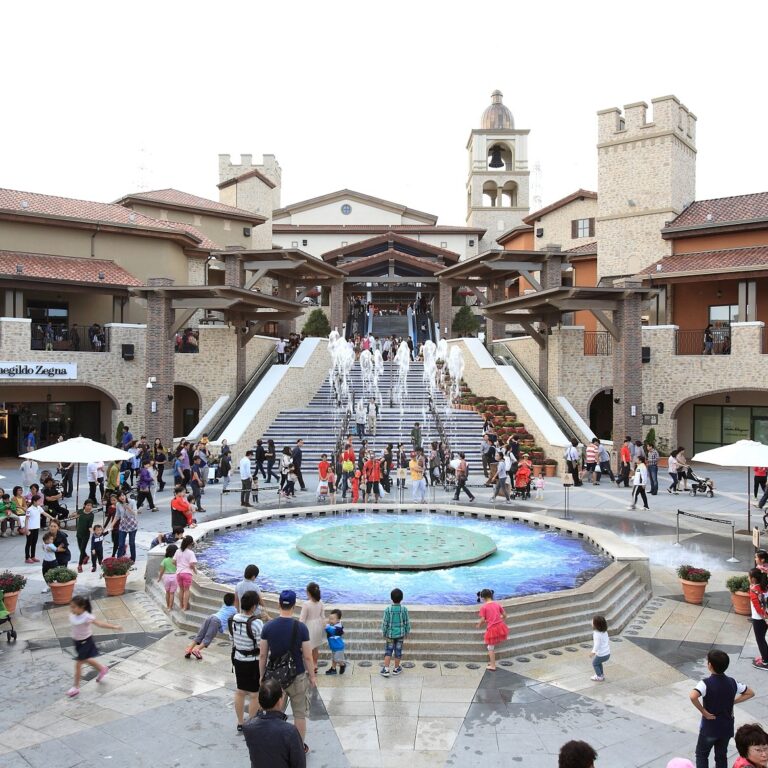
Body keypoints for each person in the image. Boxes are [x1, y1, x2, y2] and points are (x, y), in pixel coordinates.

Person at [259, 590, 316, 751]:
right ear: (294, 605)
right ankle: (298, 747)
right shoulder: (301, 628)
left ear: (279, 604)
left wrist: (261, 675)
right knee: (299, 714)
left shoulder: (268, 627)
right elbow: (308, 656)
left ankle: (276, 746)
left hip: (275, 679)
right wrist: (312, 676)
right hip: (297, 675)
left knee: (275, 715)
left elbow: (262, 655)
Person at [689, 649, 755, 768]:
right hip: (726, 727)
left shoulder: (705, 683)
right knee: (721, 756)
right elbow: (750, 693)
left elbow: (693, 696)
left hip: (710, 727)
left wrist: (704, 712)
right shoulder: (732, 682)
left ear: (710, 665)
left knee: (702, 755)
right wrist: (733, 701)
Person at [66, 596, 122, 697]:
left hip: (85, 642)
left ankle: (76, 687)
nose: (71, 609)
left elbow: (100, 624)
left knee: (78, 664)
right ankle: (102, 669)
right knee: (87, 659)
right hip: (77, 643)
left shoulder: (87, 617)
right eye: (71, 606)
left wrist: (114, 626)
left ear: (82, 607)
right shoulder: (74, 615)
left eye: (74, 607)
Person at [243, 678, 306, 768]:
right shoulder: (290, 731)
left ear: (259, 701)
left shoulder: (248, 727)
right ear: (280, 701)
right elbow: (299, 763)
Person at [231, 589, 266, 733]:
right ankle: (251, 723)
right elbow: (261, 646)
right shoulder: (257, 623)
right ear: (253, 606)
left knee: (240, 691)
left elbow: (232, 638)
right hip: (253, 662)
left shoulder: (234, 618)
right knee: (254, 694)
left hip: (238, 659)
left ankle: (240, 722)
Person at [186, 593, 237, 659]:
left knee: (200, 634)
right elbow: (235, 618)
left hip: (211, 617)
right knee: (208, 637)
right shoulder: (234, 610)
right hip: (216, 621)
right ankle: (197, 650)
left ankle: (189, 649)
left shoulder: (224, 605)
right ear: (233, 602)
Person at [380, 587, 410, 677]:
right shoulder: (404, 609)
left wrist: (384, 632)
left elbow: (385, 623)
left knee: (388, 651)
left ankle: (386, 669)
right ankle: (396, 668)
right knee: (398, 652)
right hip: (400, 635)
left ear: (391, 598)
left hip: (390, 635)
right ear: (402, 598)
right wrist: (407, 631)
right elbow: (406, 622)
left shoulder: (388, 610)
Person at [477, 588, 508, 671]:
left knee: (490, 648)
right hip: (500, 626)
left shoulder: (484, 607)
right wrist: (498, 619)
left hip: (492, 629)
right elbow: (505, 615)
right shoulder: (497, 604)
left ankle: (493, 665)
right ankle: (491, 663)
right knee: (491, 646)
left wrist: (479, 624)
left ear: (483, 598)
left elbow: (483, 619)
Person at [299, 582, 325, 675]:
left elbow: (302, 620)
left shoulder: (306, 604)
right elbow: (323, 617)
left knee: (308, 649)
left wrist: (299, 631)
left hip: (308, 627)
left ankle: (309, 668)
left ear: (309, 593)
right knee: (315, 648)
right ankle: (315, 664)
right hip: (318, 626)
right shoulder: (321, 602)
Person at [748, 569, 768, 670]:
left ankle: (765, 662)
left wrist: (765, 618)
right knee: (762, 638)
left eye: (749, 577)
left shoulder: (754, 590)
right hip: (764, 618)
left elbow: (758, 608)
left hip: (759, 619)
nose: (748, 578)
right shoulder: (764, 587)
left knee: (760, 640)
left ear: (753, 579)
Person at [174, 535, 197, 611]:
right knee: (186, 590)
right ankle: (185, 607)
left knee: (181, 589)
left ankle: (181, 605)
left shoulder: (178, 551)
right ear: (190, 544)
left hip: (179, 573)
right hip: (187, 573)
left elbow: (173, 561)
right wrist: (195, 570)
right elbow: (191, 564)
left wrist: (178, 566)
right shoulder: (190, 553)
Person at [115, 491, 139, 562]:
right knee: (121, 544)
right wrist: (111, 525)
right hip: (123, 525)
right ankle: (118, 560)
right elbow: (117, 515)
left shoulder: (132, 501)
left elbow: (135, 513)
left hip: (132, 524)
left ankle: (132, 559)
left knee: (132, 543)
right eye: (120, 496)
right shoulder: (118, 504)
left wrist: (128, 507)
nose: (122, 497)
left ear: (125, 495)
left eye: (123, 495)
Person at [74, 499, 95, 573]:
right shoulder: (80, 511)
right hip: (79, 533)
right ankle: (86, 556)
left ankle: (79, 565)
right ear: (84, 505)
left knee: (82, 550)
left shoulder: (91, 515)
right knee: (80, 548)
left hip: (86, 535)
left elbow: (90, 526)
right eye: (88, 505)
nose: (89, 507)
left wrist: (93, 533)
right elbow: (74, 514)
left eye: (91, 506)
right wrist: (73, 515)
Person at [157, 544, 179, 610]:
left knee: (167, 592)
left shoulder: (165, 560)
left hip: (166, 577)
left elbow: (161, 571)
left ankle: (167, 606)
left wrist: (159, 578)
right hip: (174, 577)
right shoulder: (176, 560)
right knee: (172, 593)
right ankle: (170, 607)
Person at [589, 615, 610, 682]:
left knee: (595, 663)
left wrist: (593, 652)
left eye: (592, 622)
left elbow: (597, 645)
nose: (591, 622)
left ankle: (599, 676)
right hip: (607, 653)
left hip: (601, 654)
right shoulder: (604, 631)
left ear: (596, 625)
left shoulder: (596, 634)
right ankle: (601, 674)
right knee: (598, 663)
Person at [324, 610, 346, 675]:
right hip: (334, 646)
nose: (330, 620)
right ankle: (333, 669)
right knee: (334, 659)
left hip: (338, 647)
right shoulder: (333, 625)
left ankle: (342, 665)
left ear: (338, 620)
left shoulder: (338, 628)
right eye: (329, 618)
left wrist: (326, 625)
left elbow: (332, 631)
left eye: (332, 619)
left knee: (337, 659)